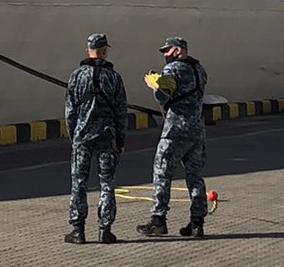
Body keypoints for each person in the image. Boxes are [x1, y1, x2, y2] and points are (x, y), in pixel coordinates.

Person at [138, 37, 210, 239]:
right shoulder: (200, 69)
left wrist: (155, 85)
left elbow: (163, 96)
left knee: (162, 171)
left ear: (178, 51)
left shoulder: (173, 70)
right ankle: (197, 224)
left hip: (176, 130)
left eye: (167, 51)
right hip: (197, 129)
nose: (164, 55)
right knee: (195, 177)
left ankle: (158, 220)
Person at [63, 32, 128, 243]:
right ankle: (105, 230)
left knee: (79, 182)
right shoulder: (114, 77)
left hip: (82, 136)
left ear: (87, 50)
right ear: (105, 51)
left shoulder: (76, 76)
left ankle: (78, 230)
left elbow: (70, 111)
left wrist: (73, 136)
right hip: (107, 136)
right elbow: (121, 111)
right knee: (107, 183)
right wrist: (121, 141)